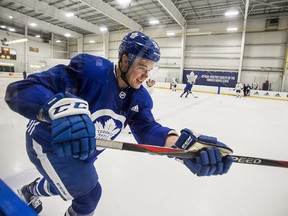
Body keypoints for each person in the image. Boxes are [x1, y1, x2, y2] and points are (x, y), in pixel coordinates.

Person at [5, 31, 233, 216]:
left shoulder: (139, 97)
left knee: (66, 184)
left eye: (151, 69)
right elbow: (20, 90)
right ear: (125, 59)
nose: (146, 75)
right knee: (89, 196)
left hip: (83, 153)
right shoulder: (90, 71)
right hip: (49, 142)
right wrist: (55, 106)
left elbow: (147, 129)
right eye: (142, 66)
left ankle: (29, 190)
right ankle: (31, 190)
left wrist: (180, 146)